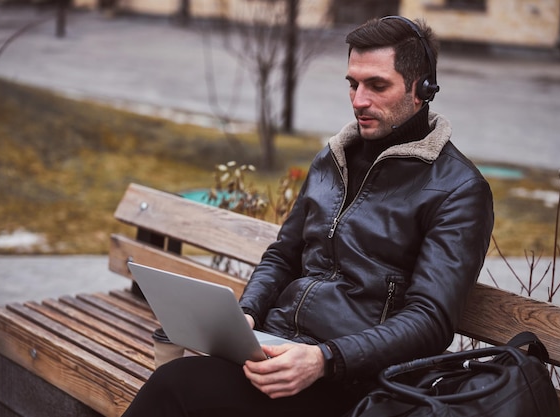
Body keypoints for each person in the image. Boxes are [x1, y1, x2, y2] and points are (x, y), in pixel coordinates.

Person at [122, 15, 494, 417]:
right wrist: (246, 315)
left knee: (176, 386)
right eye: (353, 83)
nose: (358, 100)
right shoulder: (332, 160)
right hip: (276, 352)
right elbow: (283, 256)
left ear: (422, 89)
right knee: (179, 385)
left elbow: (430, 320)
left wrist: (324, 359)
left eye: (377, 85)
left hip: (355, 383)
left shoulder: (458, 189)